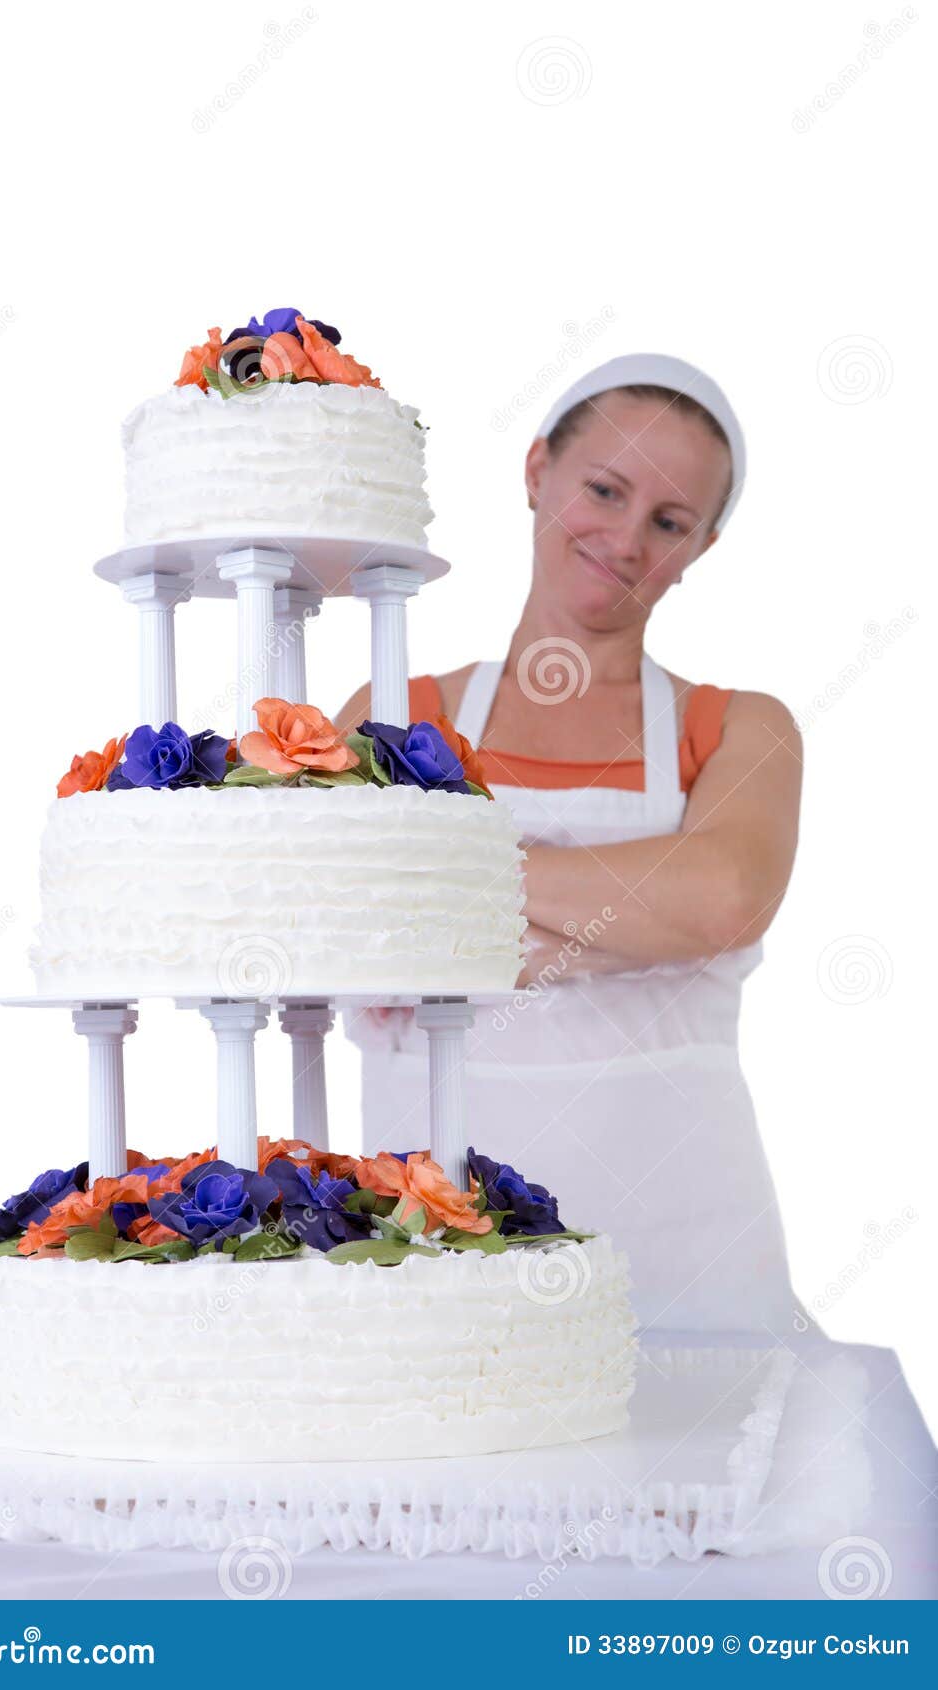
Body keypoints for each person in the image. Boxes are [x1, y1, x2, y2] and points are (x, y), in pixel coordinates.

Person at [338, 353, 803, 1333]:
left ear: (699, 547)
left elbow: (720, 896)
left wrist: (444, 889)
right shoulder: (390, 713)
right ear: (536, 469)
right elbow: (346, 927)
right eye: (603, 488)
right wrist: (633, 919)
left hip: (693, 1260)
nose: (626, 539)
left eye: (668, 522)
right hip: (432, 1257)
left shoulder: (738, 729)